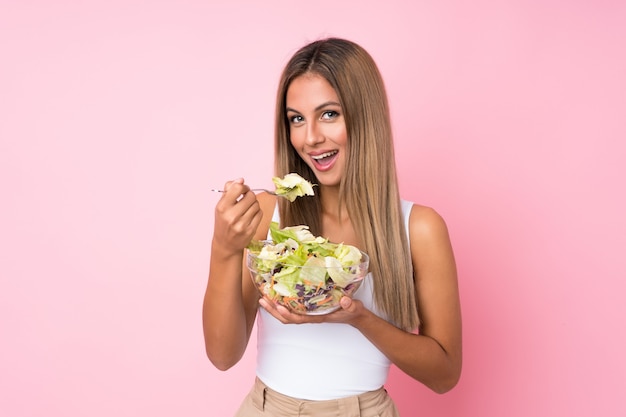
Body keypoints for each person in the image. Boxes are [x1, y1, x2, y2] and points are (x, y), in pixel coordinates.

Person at [203, 37, 462, 416]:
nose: (310, 139)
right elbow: (223, 356)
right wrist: (223, 249)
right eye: (296, 119)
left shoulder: (419, 229)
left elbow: (444, 375)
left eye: (329, 114)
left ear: (365, 115)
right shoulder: (267, 215)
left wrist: (357, 316)